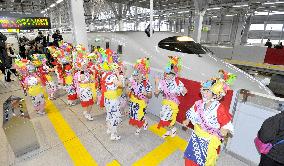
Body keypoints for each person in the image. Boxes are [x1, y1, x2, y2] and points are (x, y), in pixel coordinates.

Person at [183, 78, 234, 166]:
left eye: (207, 91)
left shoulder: (219, 108)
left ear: (215, 95)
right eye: (203, 90)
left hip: (208, 139)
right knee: (190, 157)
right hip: (196, 135)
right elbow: (192, 112)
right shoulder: (198, 103)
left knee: (204, 160)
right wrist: (187, 120)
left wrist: (225, 129)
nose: (204, 93)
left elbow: (226, 123)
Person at [155, 56, 187, 138]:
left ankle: (173, 129)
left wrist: (182, 89)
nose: (167, 75)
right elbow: (156, 92)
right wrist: (156, 83)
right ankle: (170, 130)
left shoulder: (177, 82)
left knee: (165, 118)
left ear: (174, 74)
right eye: (166, 73)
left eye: (169, 74)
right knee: (163, 117)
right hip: (165, 102)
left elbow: (185, 91)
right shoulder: (163, 82)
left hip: (173, 103)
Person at [127, 58, 152, 135]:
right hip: (133, 101)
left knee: (139, 116)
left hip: (142, 102)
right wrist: (129, 87)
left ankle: (139, 127)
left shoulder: (146, 84)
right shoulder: (132, 81)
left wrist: (146, 94)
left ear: (144, 74)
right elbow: (127, 92)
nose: (137, 75)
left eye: (140, 73)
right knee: (134, 115)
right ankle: (145, 122)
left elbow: (150, 95)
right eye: (137, 72)